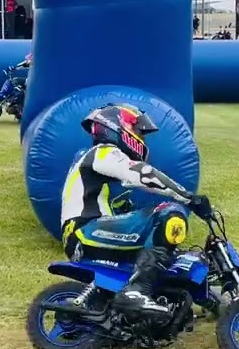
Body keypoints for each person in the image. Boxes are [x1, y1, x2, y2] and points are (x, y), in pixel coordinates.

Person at [59, 103, 213, 320]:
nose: (141, 138)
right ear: (118, 126)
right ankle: (136, 292)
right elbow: (142, 174)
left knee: (163, 250)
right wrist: (186, 197)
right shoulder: (103, 152)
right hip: (84, 230)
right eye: (138, 131)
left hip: (84, 231)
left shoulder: (93, 161)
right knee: (168, 213)